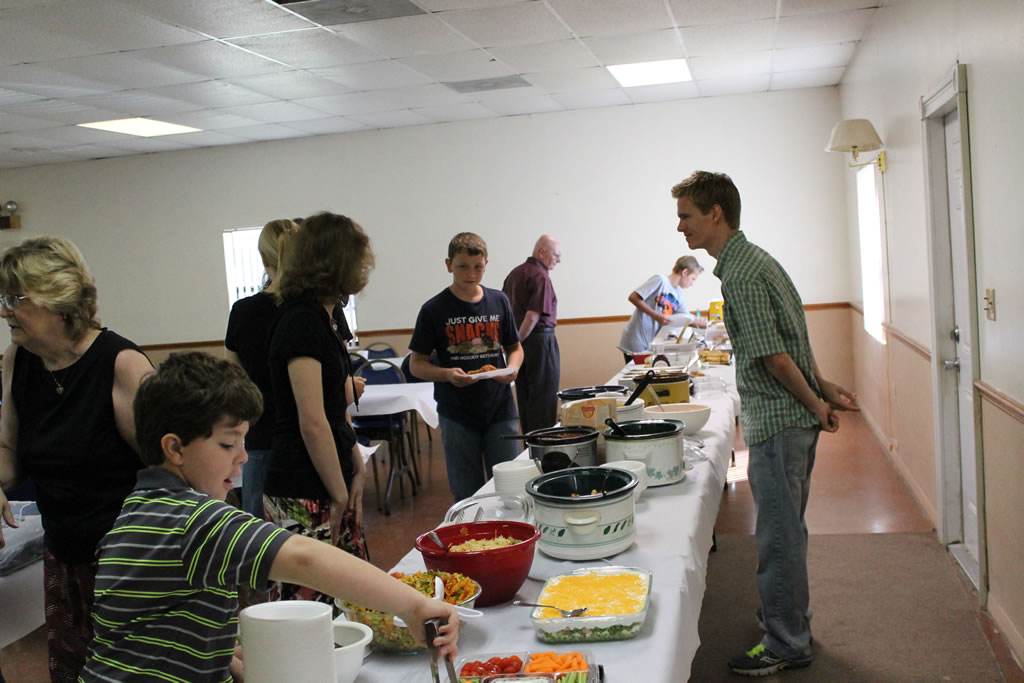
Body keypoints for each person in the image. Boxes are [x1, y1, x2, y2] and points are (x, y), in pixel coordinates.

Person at [79, 352, 458, 682]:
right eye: (228, 443)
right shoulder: (192, 520)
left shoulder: (138, 509)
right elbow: (303, 557)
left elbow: (156, 628)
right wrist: (414, 606)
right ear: (175, 448)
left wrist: (226, 658)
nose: (242, 457)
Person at [672, 171, 859, 676]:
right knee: (788, 533)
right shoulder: (757, 259)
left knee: (778, 539)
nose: (680, 227)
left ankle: (786, 642)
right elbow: (793, 336)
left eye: (686, 216)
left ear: (715, 214)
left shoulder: (741, 273)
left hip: (779, 422)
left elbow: (775, 356)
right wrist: (820, 388)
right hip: (790, 419)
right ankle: (790, 623)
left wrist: (816, 401)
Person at [0, 236, 153, 681]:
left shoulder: (121, 364)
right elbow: (9, 453)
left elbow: (173, 472)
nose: (5, 311)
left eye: (15, 299)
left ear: (59, 300)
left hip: (132, 561)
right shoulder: (18, 360)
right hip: (65, 559)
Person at [264, 213, 372, 605]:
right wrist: (338, 493)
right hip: (303, 485)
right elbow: (311, 420)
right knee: (312, 608)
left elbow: (335, 406)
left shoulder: (325, 316)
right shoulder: (301, 321)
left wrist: (356, 465)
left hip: (331, 476)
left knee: (350, 601)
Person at [410, 232, 523, 501]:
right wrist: (446, 374)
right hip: (456, 412)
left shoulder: (499, 301)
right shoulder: (434, 309)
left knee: (510, 486)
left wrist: (512, 369)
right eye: (462, 266)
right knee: (467, 492)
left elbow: (515, 348)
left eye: (477, 267)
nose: (471, 274)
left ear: (486, 264)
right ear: (448, 265)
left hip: (500, 408)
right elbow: (416, 364)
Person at [224, 218, 298, 520]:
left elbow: (234, 379)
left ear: (263, 258)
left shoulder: (243, 311)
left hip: (261, 435)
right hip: (305, 439)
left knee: (259, 535)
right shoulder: (309, 311)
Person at [501, 235, 560, 433]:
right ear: (542, 252)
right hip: (539, 342)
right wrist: (518, 341)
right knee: (544, 399)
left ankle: (529, 444)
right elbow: (533, 316)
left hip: (518, 345)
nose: (558, 261)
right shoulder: (540, 276)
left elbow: (505, 312)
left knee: (525, 398)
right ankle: (544, 446)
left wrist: (512, 345)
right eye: (556, 256)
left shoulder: (514, 274)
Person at [617, 255, 708, 364]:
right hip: (636, 340)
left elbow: (688, 319)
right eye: (693, 278)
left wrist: (711, 326)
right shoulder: (660, 280)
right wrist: (656, 316)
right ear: (685, 272)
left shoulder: (678, 293)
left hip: (650, 342)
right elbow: (633, 297)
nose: (692, 283)